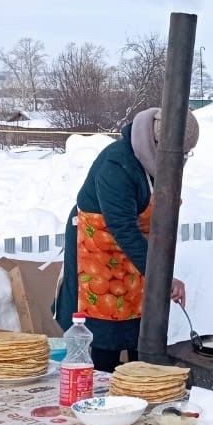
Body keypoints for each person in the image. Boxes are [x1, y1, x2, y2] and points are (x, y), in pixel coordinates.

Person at [54, 107, 199, 371]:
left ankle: (137, 385)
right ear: (157, 146)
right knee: (101, 337)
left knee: (138, 331)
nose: (182, 161)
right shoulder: (117, 165)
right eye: (180, 155)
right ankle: (99, 391)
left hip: (132, 258)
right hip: (98, 257)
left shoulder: (154, 164)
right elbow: (123, 228)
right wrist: (162, 278)